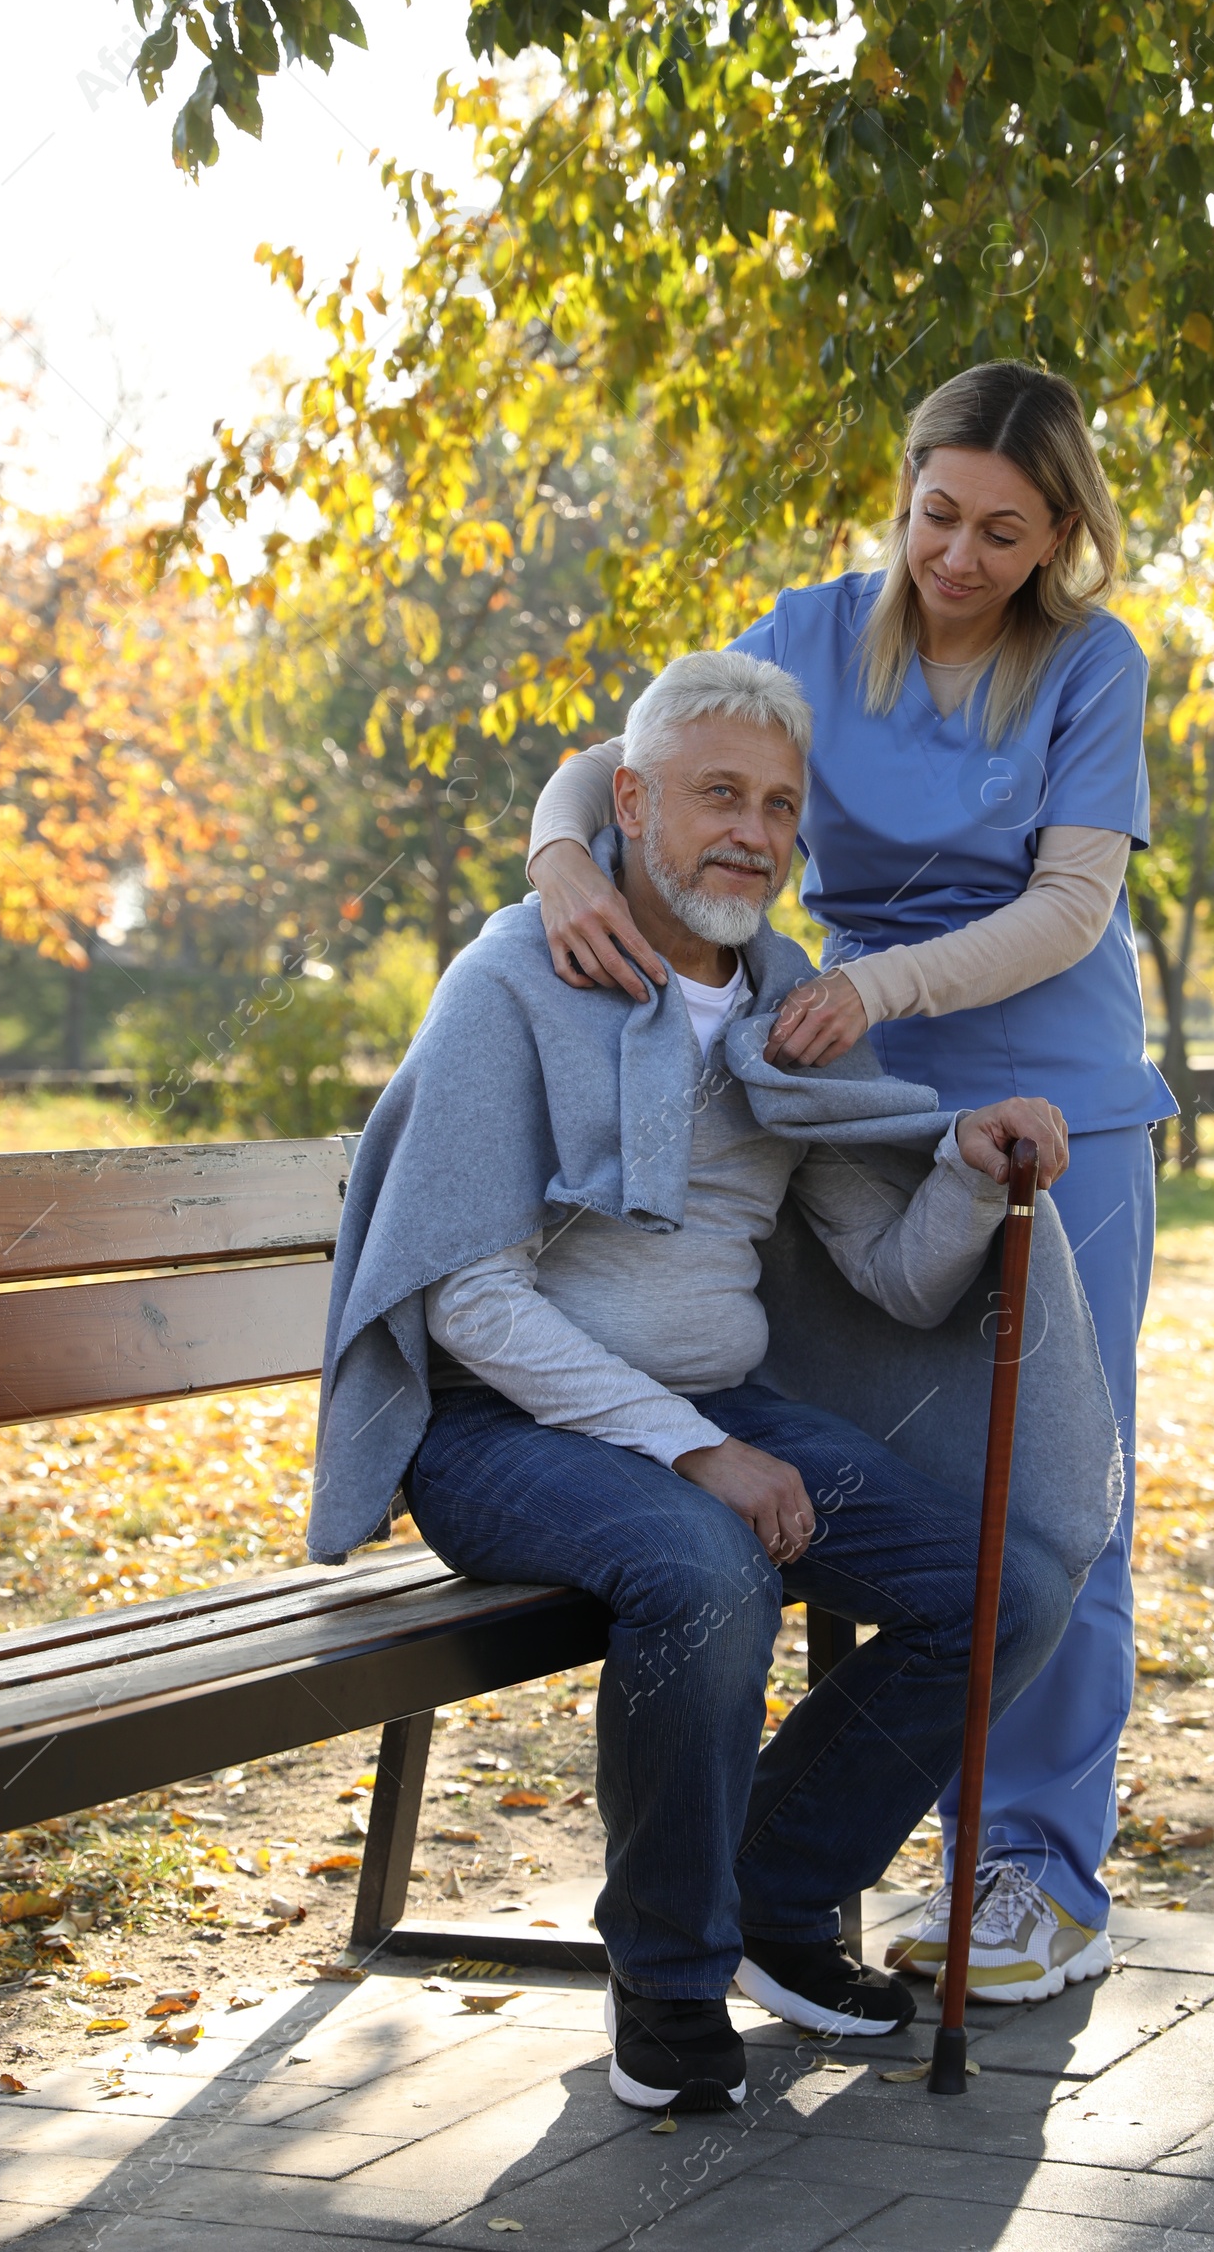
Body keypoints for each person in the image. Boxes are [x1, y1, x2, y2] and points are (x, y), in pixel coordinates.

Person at [313, 650, 1121, 2115]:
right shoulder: (516, 978)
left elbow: (886, 1274)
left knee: (1007, 1579)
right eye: (715, 796)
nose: (752, 831)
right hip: (502, 1430)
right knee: (709, 1569)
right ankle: (670, 1978)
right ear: (628, 801)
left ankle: (781, 1897)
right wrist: (698, 1455)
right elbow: (470, 1301)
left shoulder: (781, 1003)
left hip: (712, 1412)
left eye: (779, 806)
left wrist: (966, 1160)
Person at [526, 360, 1178, 2006]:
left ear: (1057, 540)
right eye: (937, 513)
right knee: (879, 1488)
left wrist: (878, 988)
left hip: (1052, 1107)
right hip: (837, 1109)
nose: (958, 556)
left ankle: (1033, 1872)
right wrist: (556, 867)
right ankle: (817, 1870)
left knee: (1057, 1498)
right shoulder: (808, 633)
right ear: (904, 491)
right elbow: (624, 766)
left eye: (1004, 533)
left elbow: (1071, 910)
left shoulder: (1090, 667)